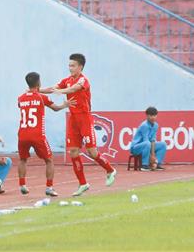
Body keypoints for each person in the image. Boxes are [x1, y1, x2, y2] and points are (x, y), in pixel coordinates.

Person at [41, 54, 116, 196]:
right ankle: (83, 183)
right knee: (73, 151)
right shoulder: (67, 80)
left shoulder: (83, 80)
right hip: (73, 119)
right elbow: (53, 88)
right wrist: (36, 90)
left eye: (73, 65)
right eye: (69, 65)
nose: (70, 68)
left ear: (80, 67)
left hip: (84, 118)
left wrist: (61, 91)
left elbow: (74, 89)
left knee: (92, 152)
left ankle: (110, 170)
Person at [18, 72, 73, 197]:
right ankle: (49, 187)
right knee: (49, 160)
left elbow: (23, 105)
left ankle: (22, 185)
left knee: (22, 159)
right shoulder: (42, 98)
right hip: (37, 135)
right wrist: (64, 105)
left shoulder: (20, 98)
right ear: (38, 83)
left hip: (22, 134)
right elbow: (55, 108)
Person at [130, 107, 167, 171]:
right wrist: (151, 158)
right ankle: (144, 165)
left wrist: (153, 158)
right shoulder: (144, 125)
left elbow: (153, 140)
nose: (153, 117)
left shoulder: (156, 125)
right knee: (147, 143)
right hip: (136, 148)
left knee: (163, 144)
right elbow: (146, 141)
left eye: (154, 115)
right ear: (147, 116)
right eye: (151, 115)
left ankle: (157, 164)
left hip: (147, 145)